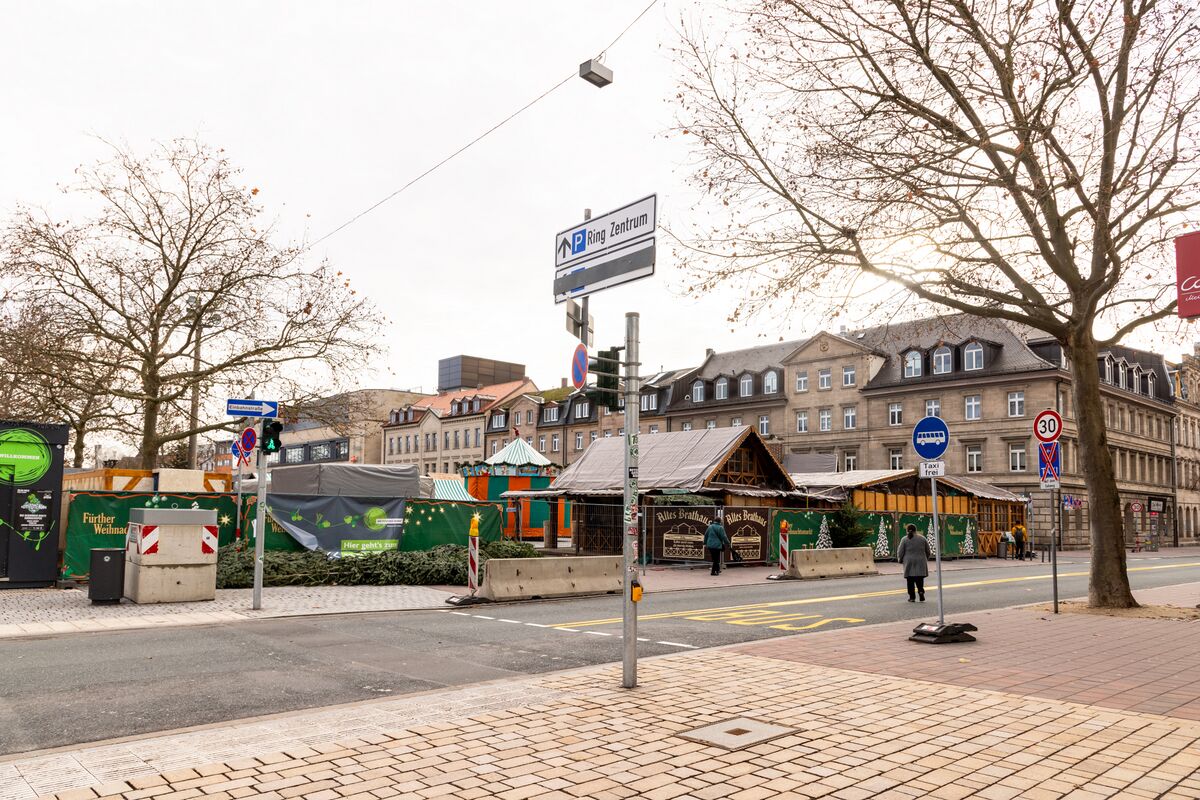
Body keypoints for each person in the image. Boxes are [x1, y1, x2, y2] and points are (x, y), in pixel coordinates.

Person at [896, 523, 932, 602]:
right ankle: (921, 591)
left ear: (907, 530)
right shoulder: (922, 538)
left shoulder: (904, 539)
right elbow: (928, 551)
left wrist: (900, 559)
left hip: (909, 562)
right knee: (919, 579)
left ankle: (912, 597)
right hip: (921, 562)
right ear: (916, 530)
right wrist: (926, 558)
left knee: (910, 581)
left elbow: (900, 551)